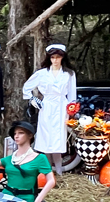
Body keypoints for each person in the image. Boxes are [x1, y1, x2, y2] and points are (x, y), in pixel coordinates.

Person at [22, 43, 77, 174]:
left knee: (58, 137)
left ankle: (59, 170)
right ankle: (47, 171)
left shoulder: (69, 74)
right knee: (46, 137)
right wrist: (32, 99)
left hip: (61, 106)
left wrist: (72, 109)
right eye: (53, 57)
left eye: (58, 57)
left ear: (62, 58)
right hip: (46, 106)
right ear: (49, 58)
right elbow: (27, 87)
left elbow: (72, 94)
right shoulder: (42, 74)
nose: (55, 60)